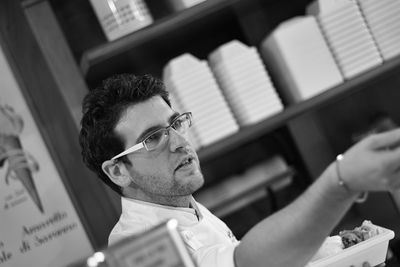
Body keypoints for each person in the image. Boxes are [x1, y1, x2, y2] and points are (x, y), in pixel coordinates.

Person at [79, 73, 400, 267]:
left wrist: (339, 249)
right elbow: (247, 262)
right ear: (118, 171)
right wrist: (340, 182)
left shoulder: (180, 203)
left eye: (176, 123)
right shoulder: (135, 249)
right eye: (153, 138)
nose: (179, 142)